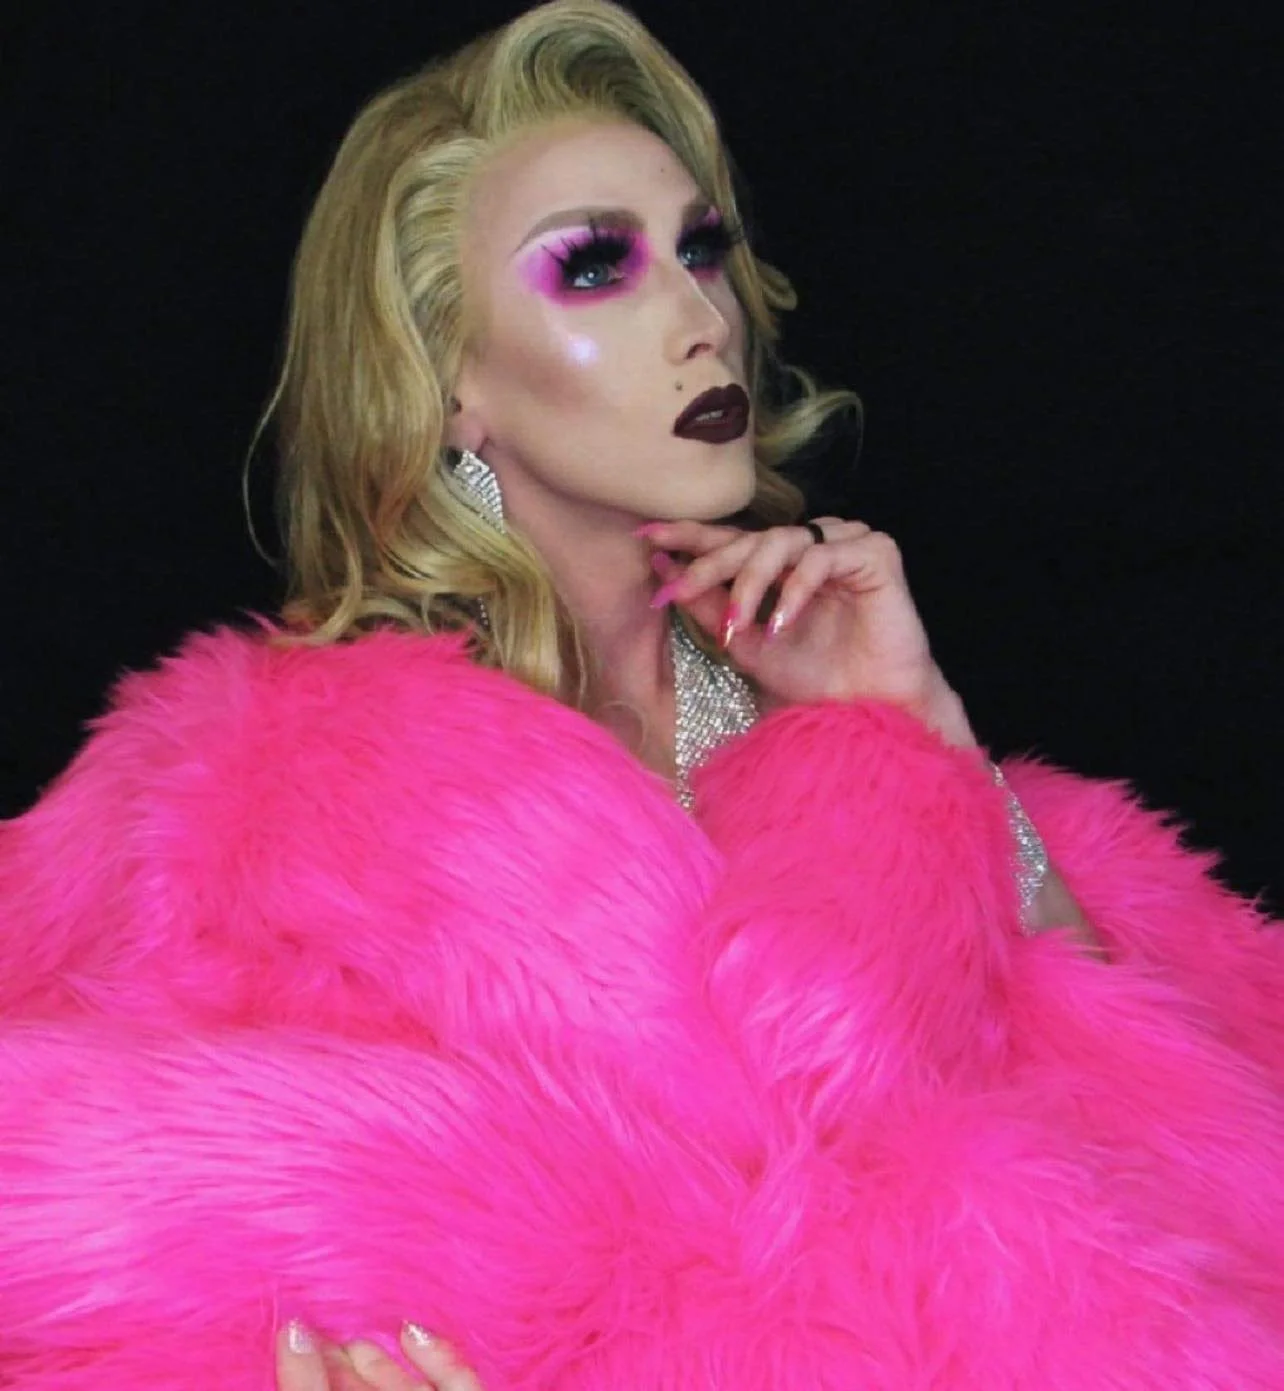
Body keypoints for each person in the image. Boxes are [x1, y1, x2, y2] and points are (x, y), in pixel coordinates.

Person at [1, 2, 1281, 1387]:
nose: (699, 320)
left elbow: (1186, 1153)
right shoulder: (256, 804)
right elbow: (96, 1239)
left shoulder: (823, 720)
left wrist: (921, 724)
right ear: (450, 383)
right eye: (595, 266)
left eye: (701, 250)